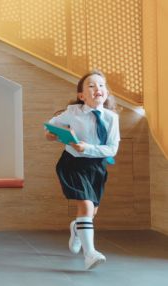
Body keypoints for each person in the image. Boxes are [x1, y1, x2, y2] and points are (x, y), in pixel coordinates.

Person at [44, 70, 119, 270]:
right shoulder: (73, 112)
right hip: (73, 164)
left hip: (97, 166)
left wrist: (89, 148)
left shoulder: (112, 118)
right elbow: (50, 128)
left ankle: (76, 228)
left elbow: (112, 149)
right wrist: (52, 134)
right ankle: (90, 254)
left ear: (107, 92)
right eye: (92, 86)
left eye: (101, 85)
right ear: (81, 96)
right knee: (85, 207)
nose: (98, 89)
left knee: (91, 212)